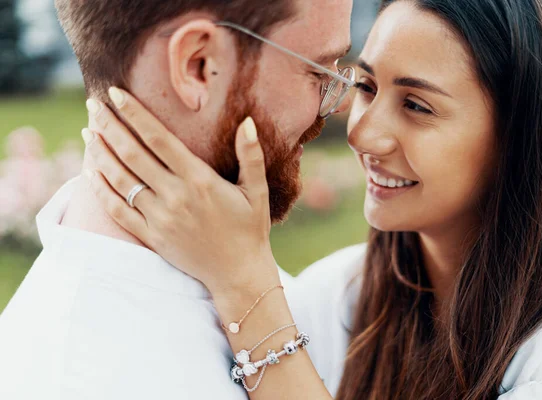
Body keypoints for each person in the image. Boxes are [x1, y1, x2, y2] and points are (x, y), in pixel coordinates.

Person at [81, 0, 542, 399]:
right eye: (368, 87)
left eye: (417, 105)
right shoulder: (338, 297)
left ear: (524, 134)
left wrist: (243, 281)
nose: (363, 133)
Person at [0, 0, 354, 398]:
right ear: (198, 66)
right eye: (317, 72)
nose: (337, 105)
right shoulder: (79, 378)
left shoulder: (269, 282)